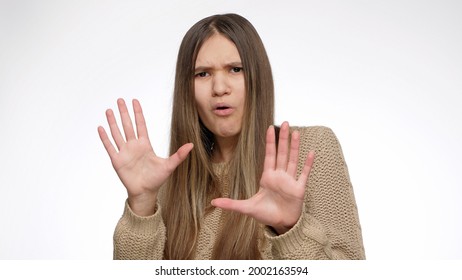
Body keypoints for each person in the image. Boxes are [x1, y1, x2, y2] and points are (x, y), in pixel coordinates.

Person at [98, 13, 365, 260]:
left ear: (258, 77)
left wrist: (291, 228)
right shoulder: (168, 182)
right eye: (203, 74)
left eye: (235, 69)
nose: (219, 88)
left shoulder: (310, 148)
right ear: (186, 90)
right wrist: (142, 202)